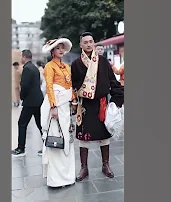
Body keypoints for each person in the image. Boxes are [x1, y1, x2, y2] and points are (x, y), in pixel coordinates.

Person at [71, 32, 124, 181]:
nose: (88, 44)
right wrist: (73, 103)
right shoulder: (75, 64)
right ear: (80, 45)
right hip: (85, 105)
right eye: (85, 42)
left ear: (94, 43)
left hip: (101, 104)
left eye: (91, 41)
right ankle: (84, 168)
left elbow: (113, 81)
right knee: (83, 138)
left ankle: (105, 165)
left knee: (104, 136)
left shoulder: (102, 61)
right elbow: (73, 86)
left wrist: (117, 99)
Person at [40, 38, 76, 187]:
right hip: (56, 106)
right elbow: (49, 86)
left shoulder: (67, 67)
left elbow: (70, 85)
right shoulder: (49, 66)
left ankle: (68, 176)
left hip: (66, 107)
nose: (61, 50)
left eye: (62, 48)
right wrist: (53, 106)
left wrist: (74, 101)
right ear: (52, 51)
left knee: (66, 137)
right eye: (57, 48)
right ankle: (56, 179)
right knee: (56, 137)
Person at [11, 50, 44, 157]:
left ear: (24, 57)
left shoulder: (27, 69)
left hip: (30, 102)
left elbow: (24, 86)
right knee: (41, 125)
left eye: (21, 56)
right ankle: (46, 147)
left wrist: (22, 97)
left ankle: (21, 148)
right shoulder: (34, 68)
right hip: (38, 100)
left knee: (22, 123)